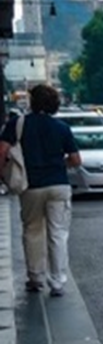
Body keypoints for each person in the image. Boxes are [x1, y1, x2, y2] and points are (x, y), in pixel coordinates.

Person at [0, 84, 81, 297]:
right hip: (58, 185)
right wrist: (59, 164)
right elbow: (75, 160)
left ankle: (35, 277)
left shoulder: (17, 124)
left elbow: (2, 150)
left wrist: (3, 174)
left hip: (31, 185)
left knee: (32, 230)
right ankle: (57, 281)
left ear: (32, 102)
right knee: (58, 233)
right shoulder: (61, 127)